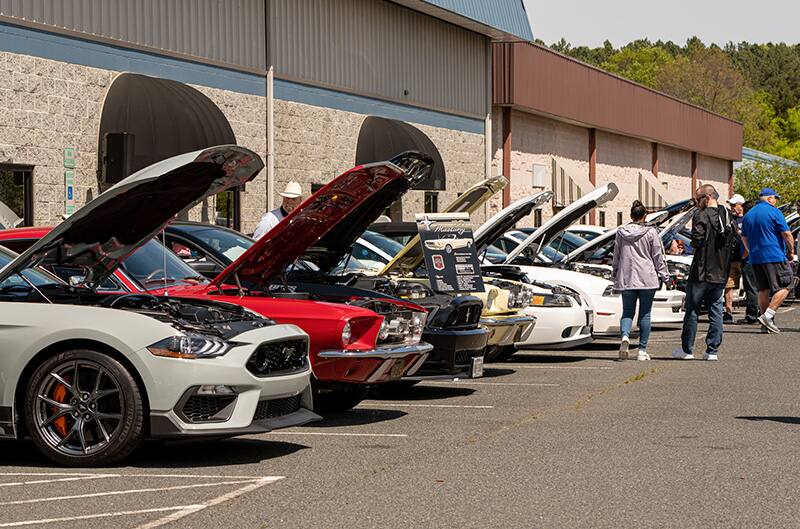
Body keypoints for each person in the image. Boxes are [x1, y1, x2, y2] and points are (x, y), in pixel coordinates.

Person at [673, 184, 737, 361]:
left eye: (697, 199)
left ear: (707, 197)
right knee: (716, 310)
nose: (696, 203)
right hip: (721, 271)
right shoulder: (727, 215)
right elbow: (734, 241)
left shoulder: (700, 215)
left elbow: (697, 240)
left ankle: (687, 349)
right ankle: (712, 350)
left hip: (701, 271)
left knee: (692, 309)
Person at [612, 200, 671, 361]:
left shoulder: (620, 232)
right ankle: (642, 350)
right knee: (645, 314)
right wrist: (666, 277)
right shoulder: (651, 233)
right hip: (647, 278)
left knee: (627, 311)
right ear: (644, 216)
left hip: (627, 277)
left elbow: (616, 255)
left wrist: (615, 273)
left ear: (631, 215)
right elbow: (658, 257)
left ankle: (625, 336)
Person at [740, 188, 796, 333]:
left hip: (756, 258)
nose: (776, 202)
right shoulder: (774, 212)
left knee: (763, 289)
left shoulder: (748, 215)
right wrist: (791, 251)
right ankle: (768, 315)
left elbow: (743, 237)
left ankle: (765, 325)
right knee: (788, 284)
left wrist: (751, 250)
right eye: (775, 199)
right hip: (774, 255)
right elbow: (787, 234)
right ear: (770, 199)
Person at [723, 194, 752, 323]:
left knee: (749, 286)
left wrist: (745, 254)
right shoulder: (729, 220)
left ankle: (751, 314)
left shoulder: (747, 219)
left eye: (734, 205)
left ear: (742, 205)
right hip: (731, 258)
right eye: (731, 205)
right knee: (728, 286)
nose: (732, 208)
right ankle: (728, 313)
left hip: (745, 259)